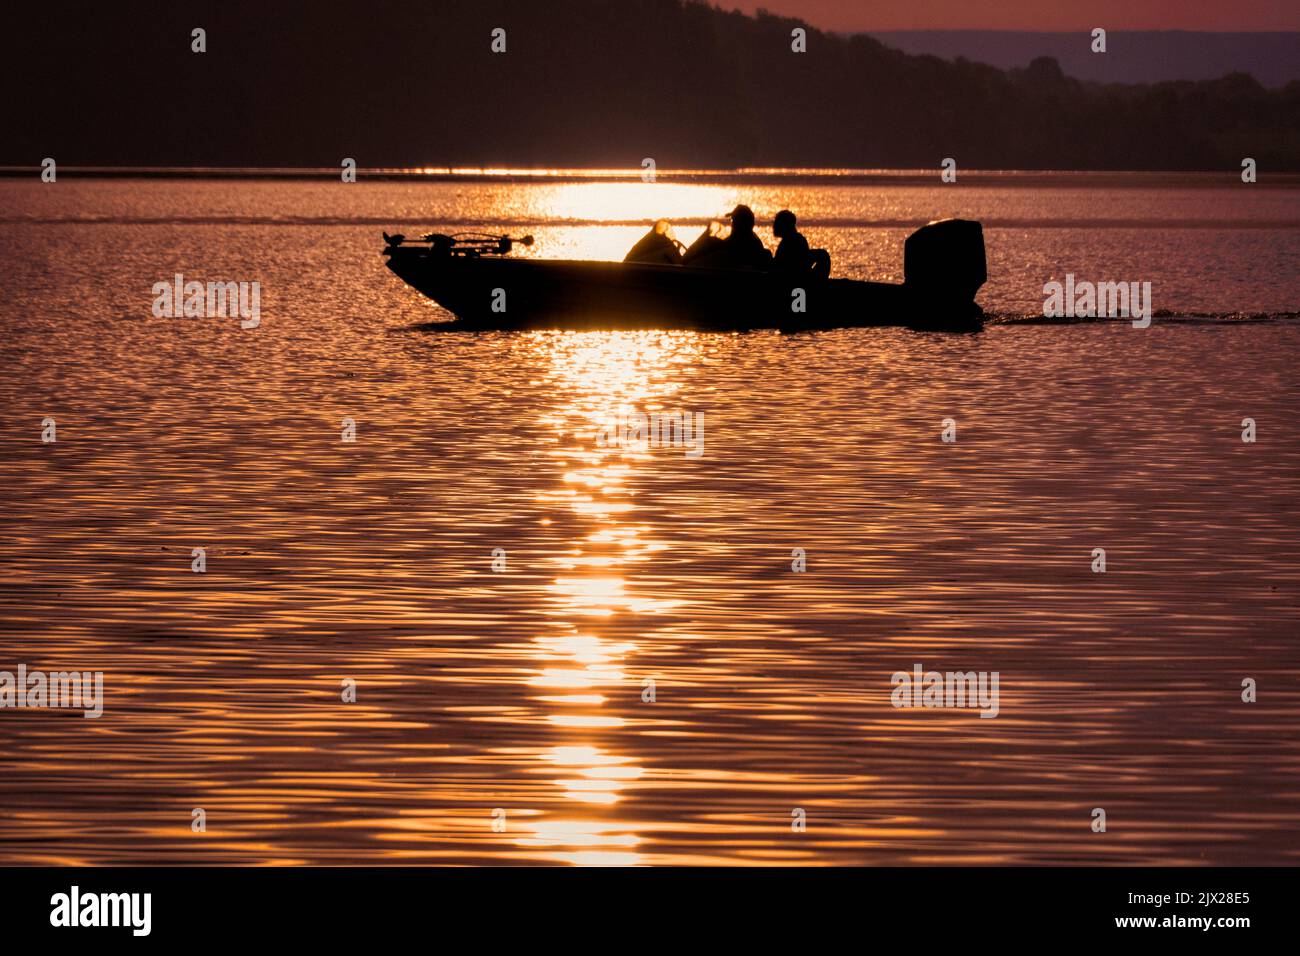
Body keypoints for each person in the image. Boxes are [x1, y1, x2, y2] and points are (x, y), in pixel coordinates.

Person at [684, 205, 772, 271]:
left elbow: (727, 249)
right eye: (732, 220)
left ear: (739, 223)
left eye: (733, 220)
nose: (732, 223)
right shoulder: (750, 239)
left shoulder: (740, 243)